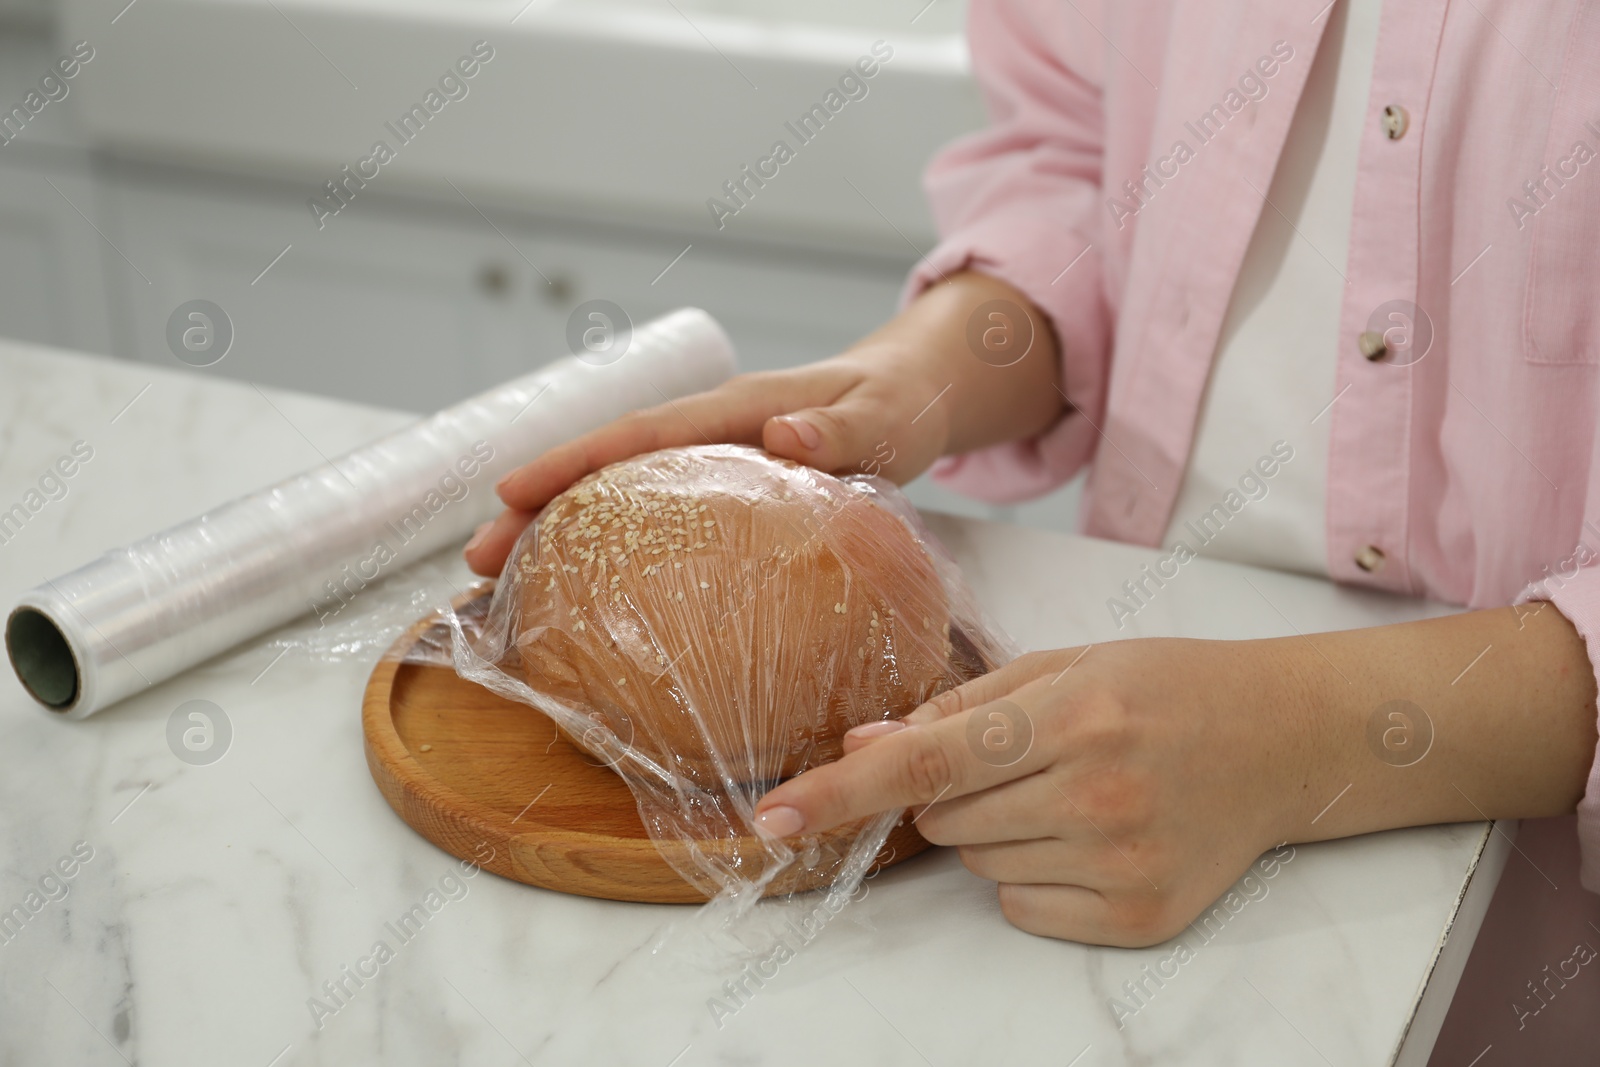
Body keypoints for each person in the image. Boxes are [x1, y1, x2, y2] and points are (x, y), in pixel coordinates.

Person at [466, 0, 1600, 974]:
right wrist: (906, 378)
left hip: (1523, 836)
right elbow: (1078, 165)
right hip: (1114, 704)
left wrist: (1304, 732)